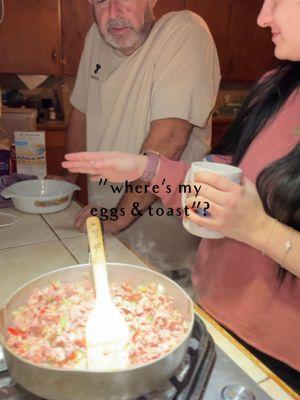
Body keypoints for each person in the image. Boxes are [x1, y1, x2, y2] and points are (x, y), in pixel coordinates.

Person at [62, 0, 300, 391]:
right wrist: (145, 169)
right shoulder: (273, 87)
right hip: (210, 318)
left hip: (277, 357)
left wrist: (258, 229)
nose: (261, 17)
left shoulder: (186, 34)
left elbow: (244, 221)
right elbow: (212, 200)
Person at [58, 0, 220, 274]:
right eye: (101, 1)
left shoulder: (185, 31)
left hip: (166, 253)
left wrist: (118, 217)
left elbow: (170, 139)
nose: (113, 13)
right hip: (106, 235)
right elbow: (81, 111)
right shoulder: (95, 37)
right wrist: (67, 179)